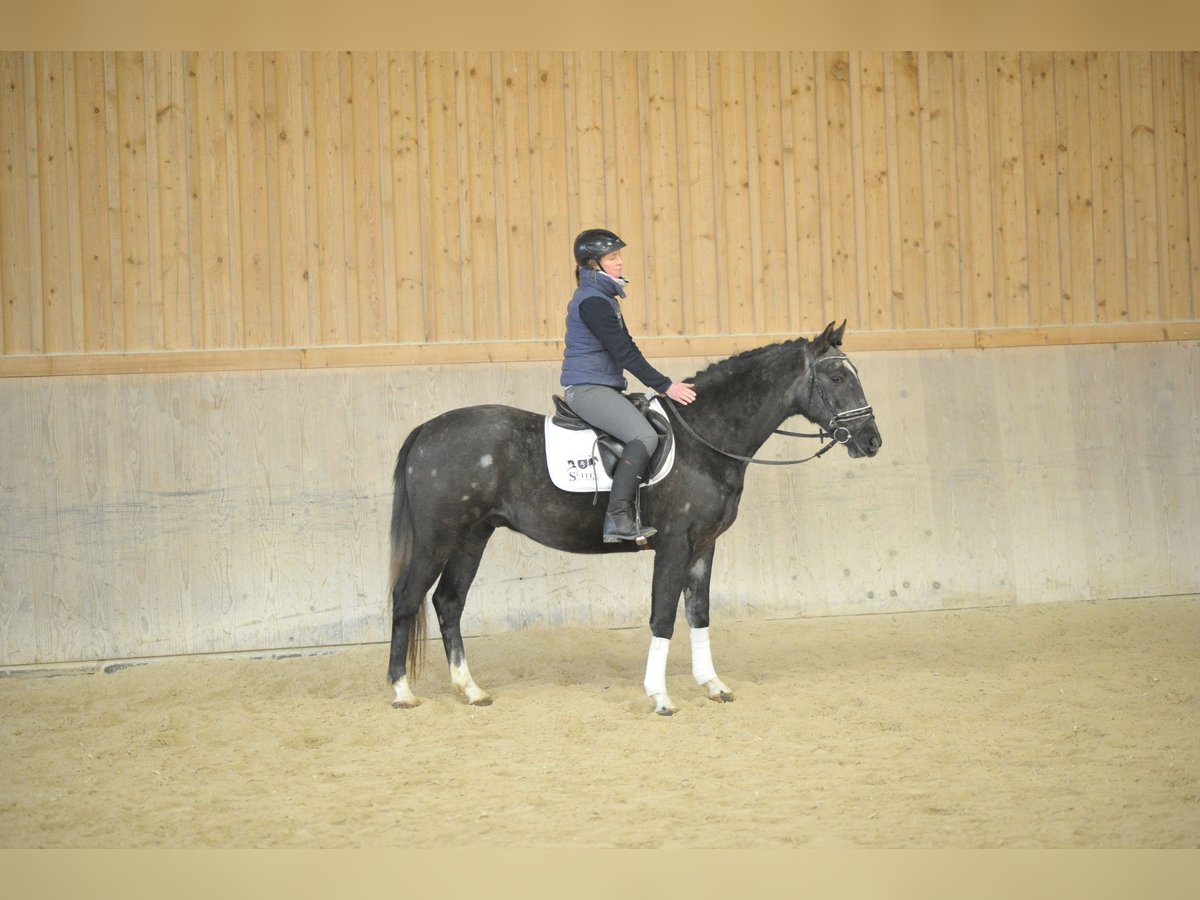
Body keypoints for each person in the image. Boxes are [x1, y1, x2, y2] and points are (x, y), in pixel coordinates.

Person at [560, 228, 697, 543]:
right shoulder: (593, 301)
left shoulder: (602, 297)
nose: (620, 263)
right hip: (587, 389)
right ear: (594, 264)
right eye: (612, 257)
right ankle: (617, 518)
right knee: (644, 435)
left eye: (619, 256)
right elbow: (624, 352)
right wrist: (665, 386)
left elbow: (626, 347)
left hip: (602, 386)